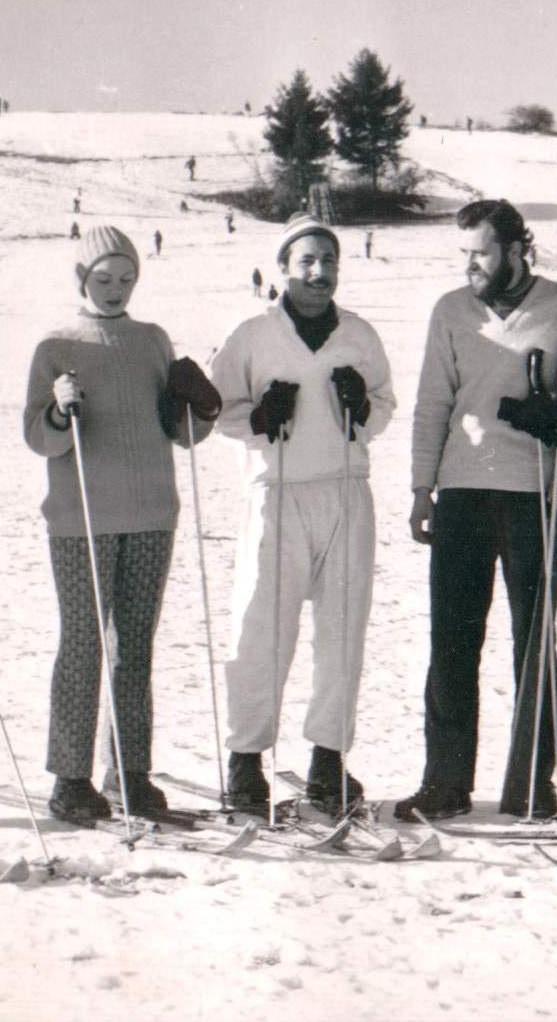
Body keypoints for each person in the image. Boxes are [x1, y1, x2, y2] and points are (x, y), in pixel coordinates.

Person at [395, 198, 557, 822]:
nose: (470, 264)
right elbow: (431, 405)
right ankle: (444, 784)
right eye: (465, 253)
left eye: (480, 251)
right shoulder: (451, 311)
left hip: (537, 493)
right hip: (462, 494)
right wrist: (423, 489)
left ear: (514, 249)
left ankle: (534, 782)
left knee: (533, 641)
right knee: (452, 641)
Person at [23, 225, 221, 823]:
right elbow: (37, 436)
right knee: (83, 645)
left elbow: (181, 434)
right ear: (81, 277)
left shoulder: (153, 340)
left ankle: (130, 773)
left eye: (126, 278)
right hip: (82, 517)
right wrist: (59, 408)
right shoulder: (56, 345)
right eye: (103, 278)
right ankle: (70, 777)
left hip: (152, 514)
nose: (114, 290)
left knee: (134, 648)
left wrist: (198, 407)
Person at [209, 214, 396, 818]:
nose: (320, 272)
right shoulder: (254, 334)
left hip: (345, 490)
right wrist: (259, 418)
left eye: (329, 261)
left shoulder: (359, 334)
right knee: (261, 628)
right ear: (285, 267)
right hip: (279, 491)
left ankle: (327, 760)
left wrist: (361, 407)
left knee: (342, 632)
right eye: (307, 261)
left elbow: (385, 405)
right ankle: (245, 760)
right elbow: (219, 410)